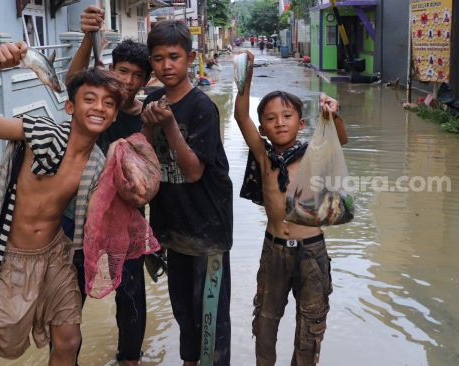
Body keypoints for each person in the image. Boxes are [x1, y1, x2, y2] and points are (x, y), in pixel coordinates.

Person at [0, 41, 125, 366]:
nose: (99, 107)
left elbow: (98, 223)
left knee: (69, 340)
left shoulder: (99, 164)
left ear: (115, 115)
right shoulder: (40, 132)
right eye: (89, 98)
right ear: (70, 107)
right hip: (10, 259)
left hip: (56, 258)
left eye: (108, 103)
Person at [233, 50, 348, 366]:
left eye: (287, 116)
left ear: (301, 122)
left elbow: (341, 140)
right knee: (266, 319)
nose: (279, 122)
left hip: (311, 251)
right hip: (274, 250)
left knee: (310, 325)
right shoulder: (264, 157)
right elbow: (240, 116)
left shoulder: (315, 152)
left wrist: (333, 114)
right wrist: (246, 76)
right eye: (270, 118)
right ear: (263, 128)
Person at [62, 6, 154, 366]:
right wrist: (88, 37)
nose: (129, 81)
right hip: (78, 215)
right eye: (122, 71)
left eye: (137, 75)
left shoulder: (146, 118)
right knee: (69, 298)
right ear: (109, 70)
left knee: (131, 295)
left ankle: (130, 359)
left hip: (126, 219)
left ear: (145, 81)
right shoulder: (95, 109)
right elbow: (75, 82)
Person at [141, 20, 233, 366]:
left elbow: (194, 171)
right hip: (173, 231)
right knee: (183, 313)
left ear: (190, 58)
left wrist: (166, 125)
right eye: (158, 58)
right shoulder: (152, 100)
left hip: (208, 232)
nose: (166, 65)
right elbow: (144, 161)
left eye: (174, 57)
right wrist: (150, 126)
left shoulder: (201, 108)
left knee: (210, 319)